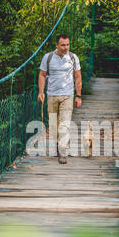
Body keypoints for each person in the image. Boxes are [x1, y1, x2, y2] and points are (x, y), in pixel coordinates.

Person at [37, 34, 82, 164]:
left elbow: (78, 76)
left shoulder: (73, 58)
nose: (65, 47)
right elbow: (42, 74)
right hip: (51, 95)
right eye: (63, 45)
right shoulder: (48, 57)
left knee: (65, 123)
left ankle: (62, 151)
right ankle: (58, 144)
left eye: (67, 44)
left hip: (68, 95)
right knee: (53, 125)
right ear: (57, 45)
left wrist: (78, 95)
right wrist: (41, 92)